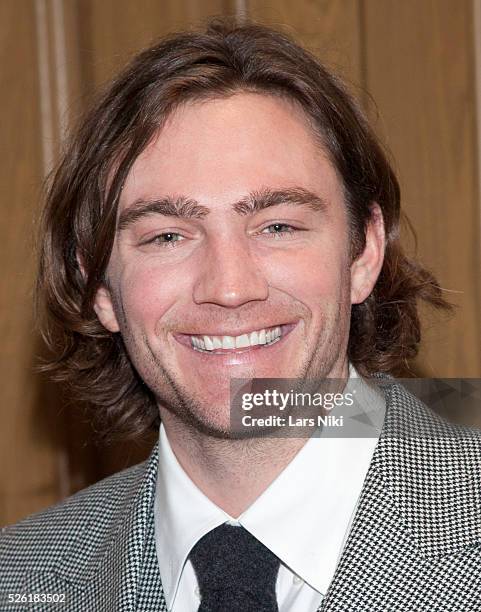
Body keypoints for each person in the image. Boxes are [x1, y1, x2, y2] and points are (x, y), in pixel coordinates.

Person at [1, 17, 480, 612]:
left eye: (277, 226)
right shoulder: (18, 575)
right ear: (97, 285)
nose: (229, 288)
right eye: (168, 236)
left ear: (364, 252)